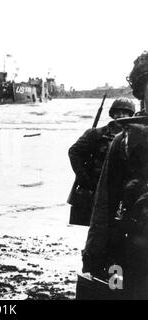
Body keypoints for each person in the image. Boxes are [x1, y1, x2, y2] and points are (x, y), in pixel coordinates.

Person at [82, 51, 148, 297]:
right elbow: (103, 205)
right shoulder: (122, 141)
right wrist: (93, 255)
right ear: (142, 94)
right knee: (115, 290)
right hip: (124, 249)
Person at [68, 97, 135, 226]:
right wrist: (83, 177)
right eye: (117, 112)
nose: (120, 115)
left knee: (119, 224)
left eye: (125, 113)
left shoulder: (133, 136)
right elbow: (74, 152)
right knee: (94, 222)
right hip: (96, 186)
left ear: (130, 115)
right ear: (112, 114)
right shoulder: (96, 134)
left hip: (121, 186)